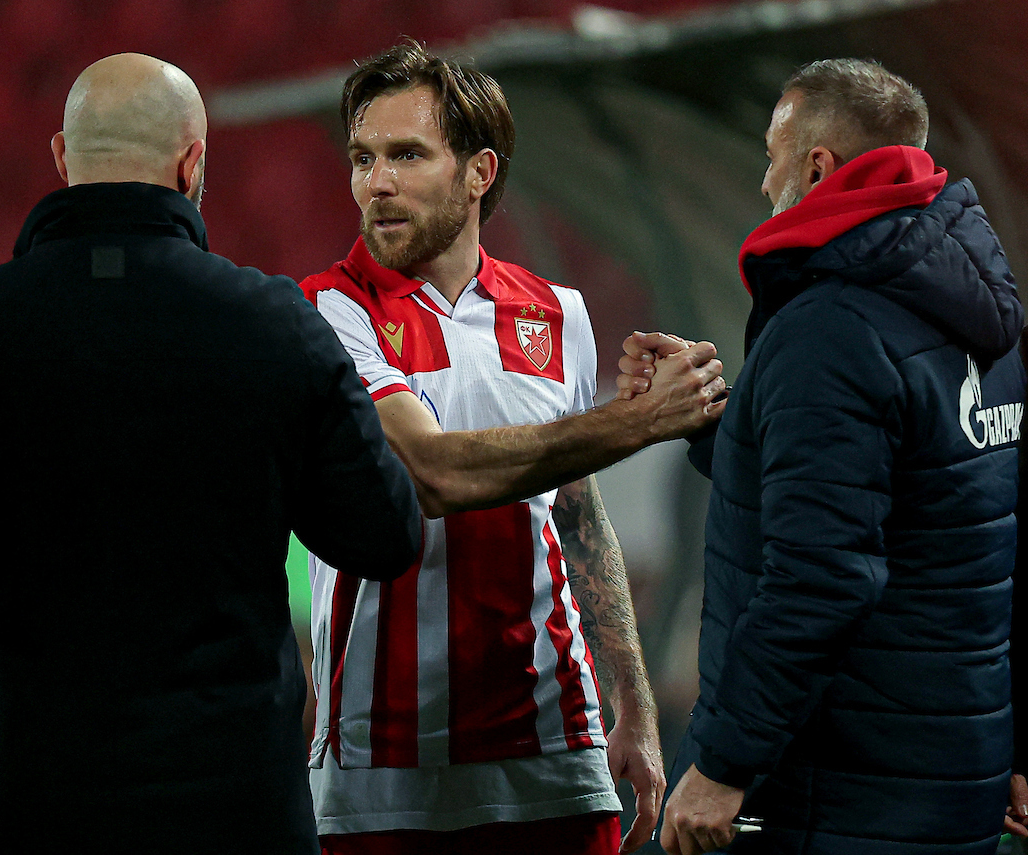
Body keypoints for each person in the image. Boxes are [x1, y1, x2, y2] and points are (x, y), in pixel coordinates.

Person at [0, 53, 422, 855]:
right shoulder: (278, 325)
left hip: (16, 804)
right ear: (192, 164)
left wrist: (12, 563)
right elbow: (384, 533)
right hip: (228, 806)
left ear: (62, 158)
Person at [299, 42, 726, 855]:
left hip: (555, 747)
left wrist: (632, 701)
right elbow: (428, 470)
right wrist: (639, 420)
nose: (375, 182)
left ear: (478, 172)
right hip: (381, 767)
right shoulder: (327, 311)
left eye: (406, 154)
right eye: (362, 157)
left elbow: (575, 510)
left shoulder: (558, 313)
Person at [657, 58, 1024, 855]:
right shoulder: (982, 317)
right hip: (956, 781)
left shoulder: (830, 328)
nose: (764, 182)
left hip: (841, 796)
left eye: (772, 157)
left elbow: (821, 575)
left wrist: (722, 762)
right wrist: (710, 417)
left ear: (818, 167)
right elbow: (966, 531)